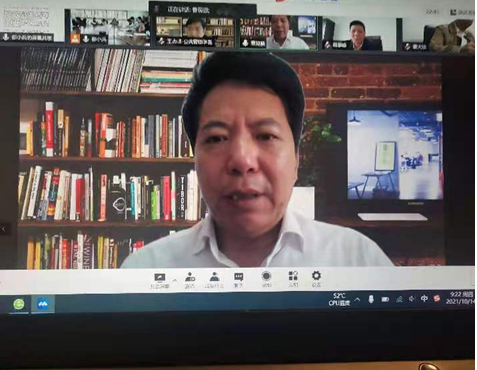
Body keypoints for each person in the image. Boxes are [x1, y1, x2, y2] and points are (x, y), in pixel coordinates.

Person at [121, 53, 394, 269]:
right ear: (195, 161)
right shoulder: (144, 270)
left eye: (266, 136)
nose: (242, 160)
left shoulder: (359, 260)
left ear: (296, 160)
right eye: (217, 138)